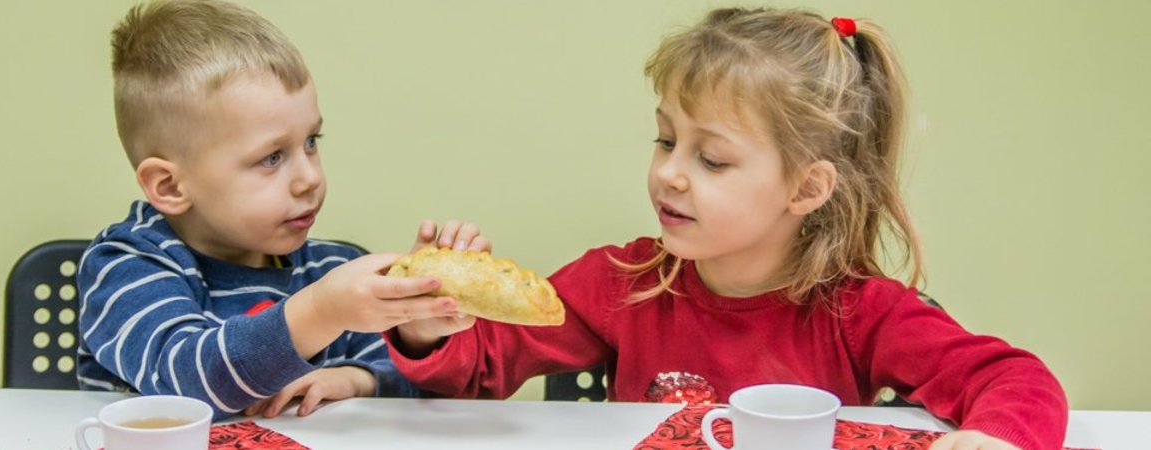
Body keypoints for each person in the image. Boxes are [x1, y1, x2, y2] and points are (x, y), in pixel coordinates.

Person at [385, 7, 1066, 450]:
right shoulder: (621, 283)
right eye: (664, 141)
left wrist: (996, 439)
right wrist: (427, 322)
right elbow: (475, 373)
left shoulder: (862, 312)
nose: (670, 175)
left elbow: (1017, 381)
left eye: (711, 158)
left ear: (806, 188)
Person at [77, 0, 488, 420]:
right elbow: (186, 383)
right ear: (170, 186)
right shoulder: (125, 267)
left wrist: (391, 349)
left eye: (311, 141)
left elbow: (416, 390)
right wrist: (321, 312)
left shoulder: (332, 267)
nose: (308, 177)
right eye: (271, 157)